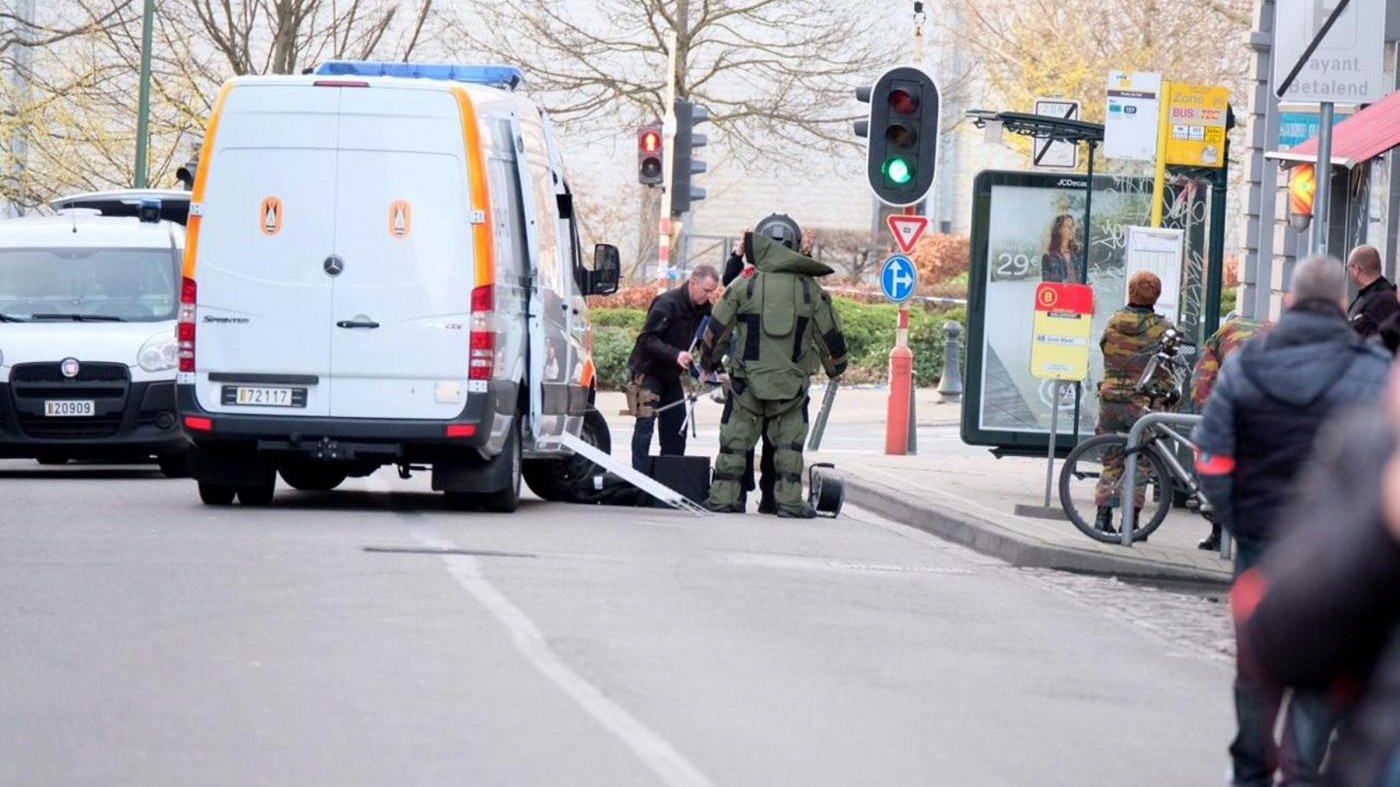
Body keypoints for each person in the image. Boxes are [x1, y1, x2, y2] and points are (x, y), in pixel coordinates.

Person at [1193, 255, 1391, 787]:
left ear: (1289, 303)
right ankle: (1303, 772)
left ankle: (1250, 770)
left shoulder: (1246, 365)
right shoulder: (1374, 372)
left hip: (1261, 538)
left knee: (1258, 661)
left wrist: (1239, 520)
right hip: (1338, 547)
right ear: (1340, 304)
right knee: (1329, 666)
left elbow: (1210, 455)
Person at [1233, 394, 1400, 787]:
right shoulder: (1374, 438)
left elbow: (1282, 641)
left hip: (1277, 525)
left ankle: (1258, 768)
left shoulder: (1373, 440)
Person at [700, 230, 847, 517]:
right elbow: (831, 336)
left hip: (746, 384)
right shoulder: (810, 290)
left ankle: (725, 499)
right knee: (789, 447)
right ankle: (788, 502)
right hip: (791, 385)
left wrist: (709, 364)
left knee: (734, 443)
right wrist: (836, 368)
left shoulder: (745, 285)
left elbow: (716, 331)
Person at [721, 219, 818, 513]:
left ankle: (734, 496)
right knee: (778, 442)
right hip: (785, 375)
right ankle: (774, 499)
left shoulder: (751, 279)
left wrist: (711, 360)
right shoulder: (795, 282)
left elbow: (727, 297)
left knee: (740, 439)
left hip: (749, 373)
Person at [1093, 270, 1174, 535]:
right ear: (1157, 295)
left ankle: (1102, 517)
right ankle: (1132, 521)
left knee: (1112, 458)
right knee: (1140, 460)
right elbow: (1171, 360)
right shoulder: (1162, 327)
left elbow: (1104, 348)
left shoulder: (1114, 321)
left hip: (1110, 399)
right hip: (1142, 403)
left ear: (1130, 291)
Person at [626, 265, 719, 471]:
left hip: (672, 375)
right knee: (645, 426)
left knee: (676, 428)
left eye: (711, 292)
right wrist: (675, 354)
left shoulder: (704, 309)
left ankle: (669, 477)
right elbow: (646, 339)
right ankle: (639, 479)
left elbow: (707, 340)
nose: (708, 296)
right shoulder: (666, 303)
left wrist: (709, 368)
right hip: (649, 371)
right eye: (705, 291)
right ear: (693, 282)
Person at [1190, 315, 1270, 551]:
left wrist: (1205, 413)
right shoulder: (1276, 331)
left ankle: (1218, 534)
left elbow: (1202, 380)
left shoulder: (1221, 336)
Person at [1346, 244, 1399, 340]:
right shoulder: (1368, 294)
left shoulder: (1384, 299)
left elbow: (1387, 342)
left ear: (1356, 270)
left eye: (1349, 267)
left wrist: (1359, 325)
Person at [1040, 214, 1082, 284]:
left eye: (1072, 226)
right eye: (1067, 226)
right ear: (1059, 229)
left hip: (1079, 293)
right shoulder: (1048, 257)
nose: (1071, 229)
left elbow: (1085, 277)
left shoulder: (1079, 251)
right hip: (1061, 294)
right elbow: (1047, 286)